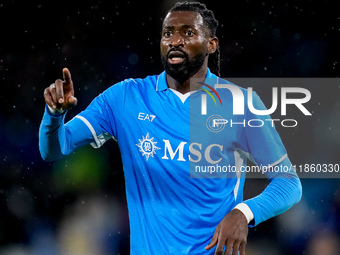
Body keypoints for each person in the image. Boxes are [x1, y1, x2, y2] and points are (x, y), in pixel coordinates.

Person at [39, 2, 302, 255]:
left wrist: (243, 213)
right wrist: (54, 114)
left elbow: (288, 183)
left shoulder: (240, 103)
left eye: (188, 32)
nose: (175, 41)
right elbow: (56, 148)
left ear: (211, 44)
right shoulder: (126, 98)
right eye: (168, 33)